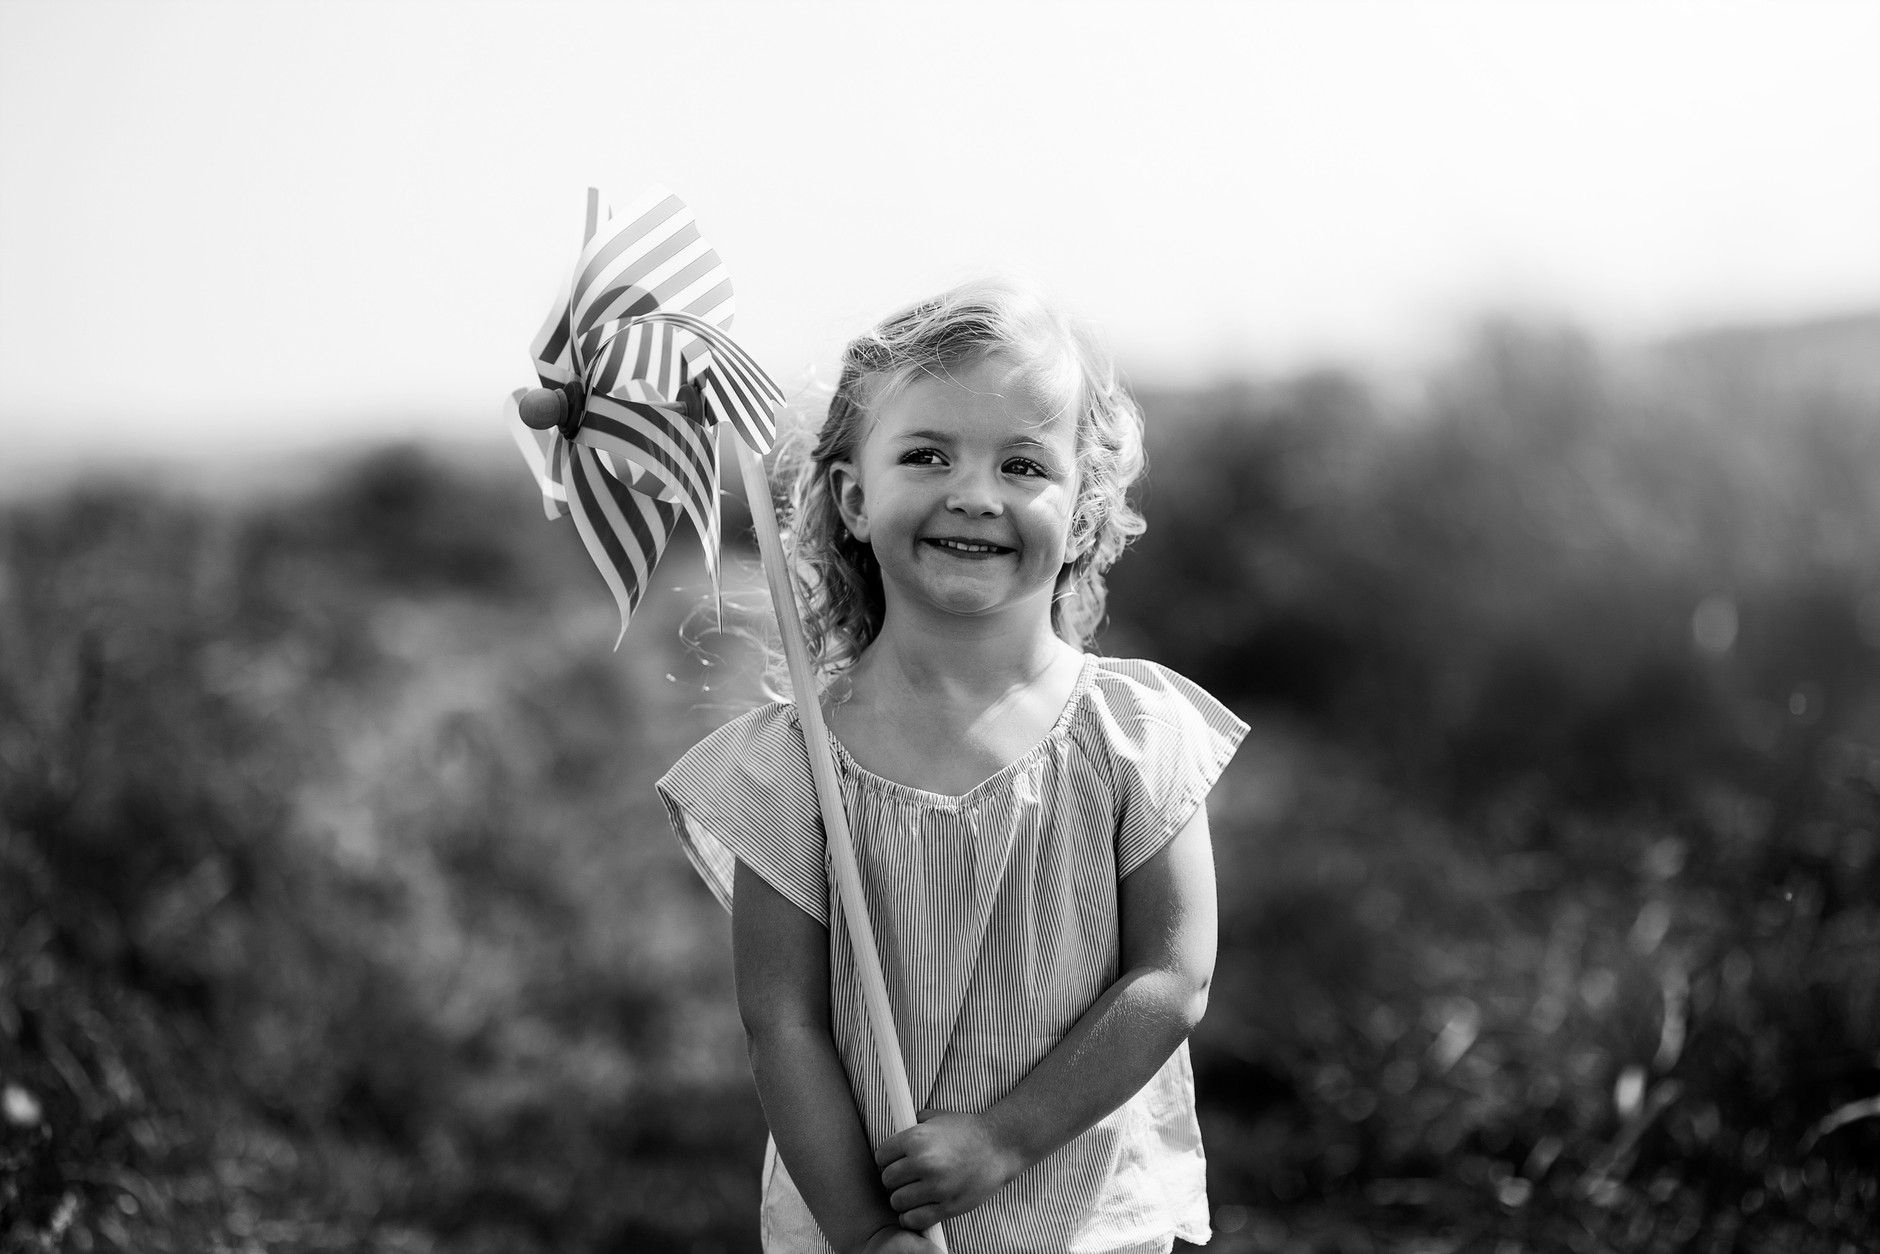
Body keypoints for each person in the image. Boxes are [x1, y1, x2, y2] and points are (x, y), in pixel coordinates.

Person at [659, 278, 1246, 1254]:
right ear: (851, 494)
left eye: (1022, 463)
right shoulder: (795, 761)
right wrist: (862, 1231)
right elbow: (783, 1024)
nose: (973, 494)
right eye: (926, 454)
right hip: (869, 1222)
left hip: (1082, 1220)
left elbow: (1171, 977)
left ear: (1082, 501)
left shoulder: (1132, 731)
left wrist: (1000, 1141)